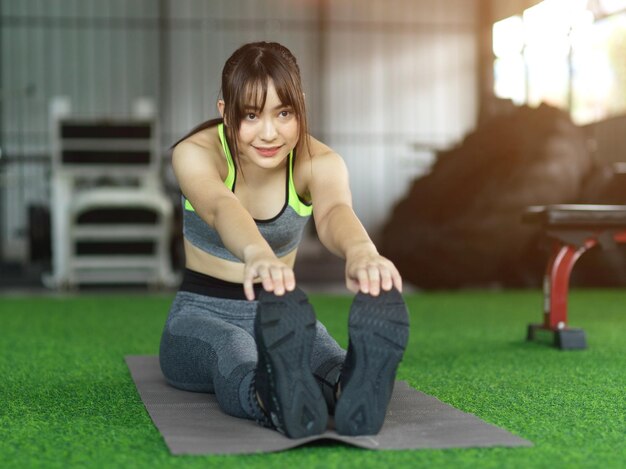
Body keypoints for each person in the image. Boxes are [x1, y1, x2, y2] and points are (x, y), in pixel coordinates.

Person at [159, 41, 409, 439]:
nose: (270, 132)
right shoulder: (196, 153)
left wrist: (362, 250)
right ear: (225, 111)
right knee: (233, 349)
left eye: (284, 113)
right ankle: (270, 396)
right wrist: (257, 252)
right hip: (201, 314)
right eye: (252, 115)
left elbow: (332, 213)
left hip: (280, 313)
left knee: (325, 354)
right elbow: (222, 206)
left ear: (300, 106)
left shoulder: (319, 161)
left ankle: (351, 387)